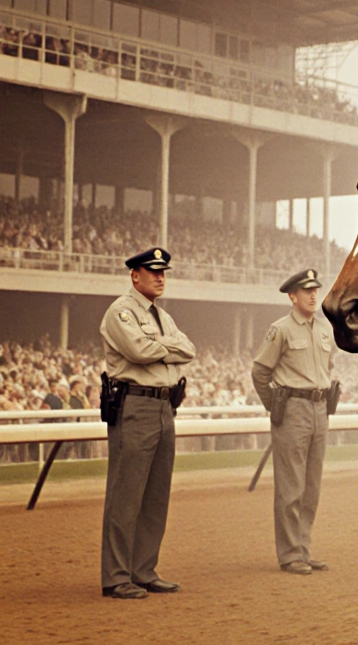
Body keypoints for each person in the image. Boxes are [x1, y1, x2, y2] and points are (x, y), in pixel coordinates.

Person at [99, 247, 194, 599]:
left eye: (163, 272)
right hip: (134, 404)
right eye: (152, 271)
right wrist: (166, 347)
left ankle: (143, 570)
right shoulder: (121, 311)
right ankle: (116, 576)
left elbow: (190, 349)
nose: (160, 276)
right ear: (134, 275)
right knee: (126, 496)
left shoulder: (162, 317)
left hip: (164, 406)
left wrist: (159, 344)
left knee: (156, 496)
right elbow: (138, 352)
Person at [251, 269, 336, 575]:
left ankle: (303, 549)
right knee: (291, 488)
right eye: (306, 291)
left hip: (319, 409)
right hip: (293, 409)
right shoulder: (281, 329)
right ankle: (289, 555)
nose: (314, 295)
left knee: (311, 488)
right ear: (292, 296)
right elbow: (260, 373)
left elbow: (329, 368)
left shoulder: (325, 330)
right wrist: (276, 407)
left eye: (316, 289)